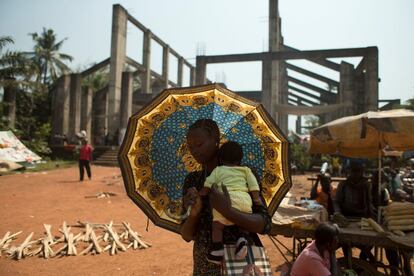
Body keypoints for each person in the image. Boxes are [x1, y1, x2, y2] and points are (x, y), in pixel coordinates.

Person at [180, 119, 272, 275]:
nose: (194, 150)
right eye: (190, 146)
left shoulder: (243, 173)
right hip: (206, 265)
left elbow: (264, 224)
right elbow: (186, 235)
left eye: (199, 144)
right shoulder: (193, 181)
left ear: (216, 141)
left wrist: (228, 211)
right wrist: (194, 214)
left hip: (242, 263)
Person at [198, 141, 263, 264]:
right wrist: (256, 198)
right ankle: (243, 239)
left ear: (220, 159)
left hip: (225, 200)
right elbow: (253, 185)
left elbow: (208, 183)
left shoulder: (218, 170)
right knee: (243, 226)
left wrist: (202, 192)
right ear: (240, 159)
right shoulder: (246, 170)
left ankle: (217, 250)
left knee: (217, 226)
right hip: (244, 201)